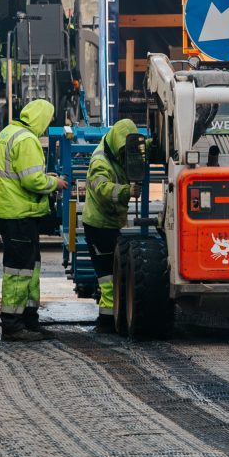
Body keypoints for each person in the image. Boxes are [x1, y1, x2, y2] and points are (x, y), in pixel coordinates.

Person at [0, 97, 67, 342]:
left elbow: (21, 173)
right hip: (20, 213)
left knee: (29, 268)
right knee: (19, 270)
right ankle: (13, 325)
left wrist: (44, 176)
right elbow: (31, 180)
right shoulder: (26, 139)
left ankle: (28, 320)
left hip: (15, 211)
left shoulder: (8, 133)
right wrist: (54, 182)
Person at [82, 116, 142, 329]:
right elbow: (103, 189)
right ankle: (107, 321)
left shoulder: (116, 150)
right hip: (99, 225)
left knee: (112, 273)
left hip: (109, 223)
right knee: (107, 276)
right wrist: (127, 192)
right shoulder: (101, 162)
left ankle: (110, 318)